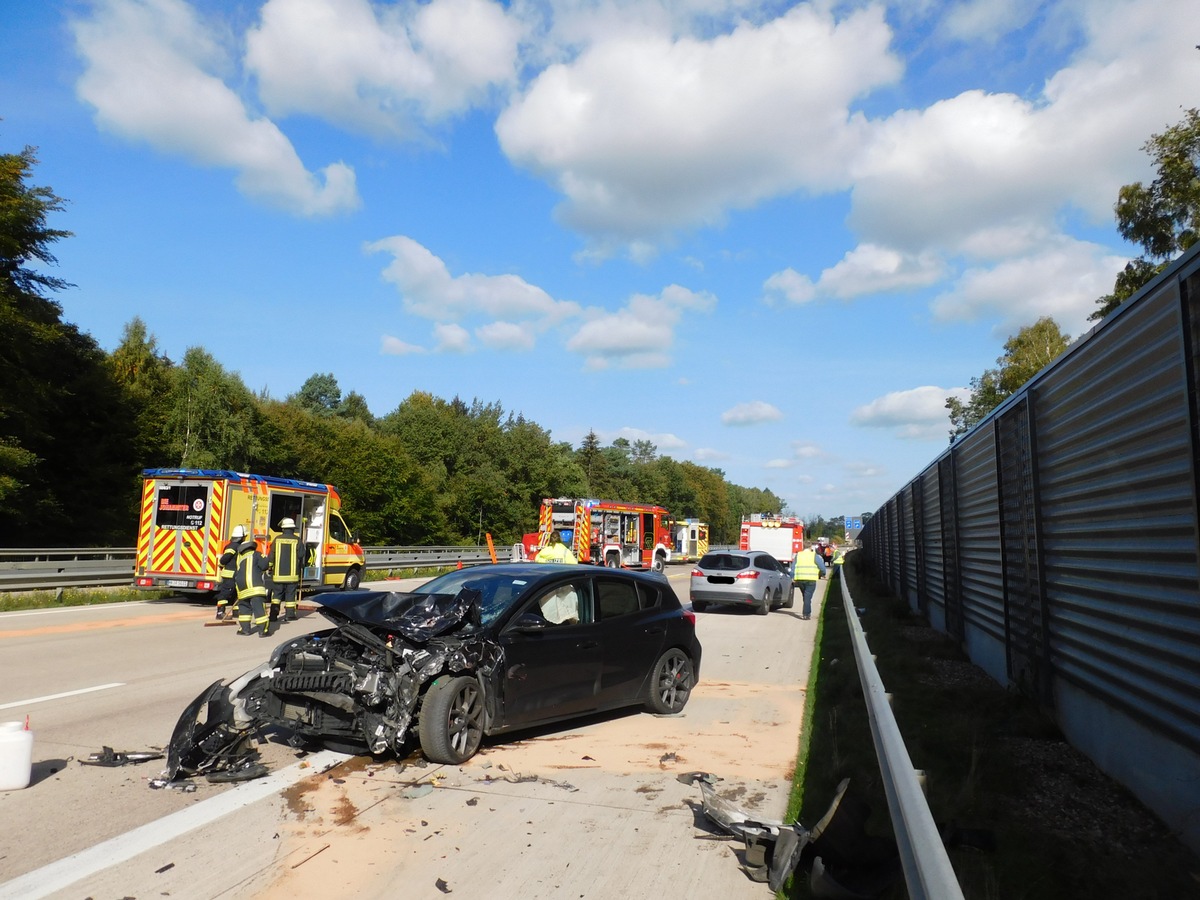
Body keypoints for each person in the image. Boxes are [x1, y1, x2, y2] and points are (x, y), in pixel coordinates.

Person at [234, 531, 271, 637]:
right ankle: (262, 631)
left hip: (242, 588)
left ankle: (245, 630)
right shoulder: (257, 554)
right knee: (259, 609)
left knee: (244, 608)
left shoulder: (240, 559)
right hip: (255, 588)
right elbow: (264, 566)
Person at [267, 518, 304, 622]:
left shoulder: (277, 539)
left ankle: (273, 615)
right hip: (292, 575)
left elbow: (271, 556)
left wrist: (269, 567)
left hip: (278, 575)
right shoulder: (297, 540)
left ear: (283, 529)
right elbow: (301, 555)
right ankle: (290, 615)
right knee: (290, 596)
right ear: (292, 529)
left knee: (276, 596)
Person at [214, 525, 246, 620]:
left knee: (237, 593)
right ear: (241, 536)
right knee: (225, 594)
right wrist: (221, 564)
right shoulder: (233, 546)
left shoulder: (237, 546)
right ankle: (220, 613)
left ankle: (236, 611)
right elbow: (225, 558)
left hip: (236, 574)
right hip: (230, 575)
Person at [791, 544, 827, 620]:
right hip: (811, 579)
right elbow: (822, 567)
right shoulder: (814, 555)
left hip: (800, 579)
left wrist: (792, 576)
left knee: (805, 596)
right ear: (810, 548)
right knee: (808, 596)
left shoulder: (799, 555)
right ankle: (806, 614)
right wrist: (823, 574)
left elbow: (793, 566)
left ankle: (806, 611)